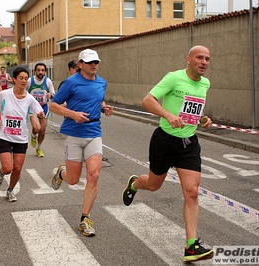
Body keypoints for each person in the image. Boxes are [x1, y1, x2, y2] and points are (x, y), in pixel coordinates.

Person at [121, 45, 214, 263]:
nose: (204, 62)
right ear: (188, 59)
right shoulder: (174, 78)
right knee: (153, 185)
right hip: (164, 141)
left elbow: (192, 109)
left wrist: (203, 119)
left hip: (189, 143)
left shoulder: (206, 83)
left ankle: (191, 246)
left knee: (192, 192)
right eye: (199, 58)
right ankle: (134, 184)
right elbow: (147, 100)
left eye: (208, 59)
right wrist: (168, 115)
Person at [50, 49, 113, 237]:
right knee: (73, 179)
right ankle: (61, 173)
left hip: (94, 132)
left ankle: (85, 219)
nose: (93, 65)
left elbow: (99, 101)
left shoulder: (102, 83)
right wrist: (73, 114)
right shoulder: (71, 83)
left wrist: (105, 108)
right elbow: (53, 105)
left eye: (96, 62)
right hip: (74, 134)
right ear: (80, 64)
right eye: (89, 62)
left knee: (93, 175)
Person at [0, 67, 44, 202]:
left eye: (26, 78)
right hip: (4, 136)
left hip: (21, 138)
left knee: (18, 168)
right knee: (8, 168)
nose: (24, 81)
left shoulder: (30, 99)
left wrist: (40, 115)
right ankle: (1, 173)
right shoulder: (4, 94)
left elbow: (39, 112)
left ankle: (10, 190)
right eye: (21, 78)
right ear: (14, 79)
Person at [27, 63, 55, 158]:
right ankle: (33, 135)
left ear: (45, 72)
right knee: (37, 128)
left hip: (43, 107)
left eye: (42, 70)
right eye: (38, 70)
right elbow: (24, 92)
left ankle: (39, 148)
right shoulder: (30, 81)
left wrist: (50, 96)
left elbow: (53, 95)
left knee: (42, 131)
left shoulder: (48, 82)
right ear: (35, 71)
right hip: (33, 108)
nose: (40, 72)